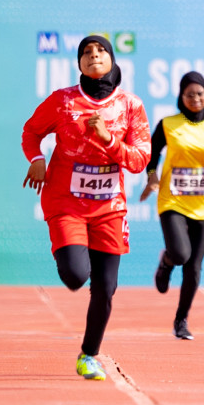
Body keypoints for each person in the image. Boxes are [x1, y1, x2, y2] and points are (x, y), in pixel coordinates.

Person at [21, 35, 150, 380]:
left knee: (106, 289)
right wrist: (36, 159)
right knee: (76, 276)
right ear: (79, 65)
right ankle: (74, 252)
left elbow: (139, 160)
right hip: (67, 202)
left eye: (101, 51)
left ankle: (88, 356)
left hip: (109, 207)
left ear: (112, 61)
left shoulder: (130, 106)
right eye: (86, 53)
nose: (94, 55)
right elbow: (31, 131)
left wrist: (109, 140)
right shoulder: (63, 101)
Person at [141, 71, 204, 339]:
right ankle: (167, 262)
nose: (195, 99)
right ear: (181, 97)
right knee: (181, 254)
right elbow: (152, 155)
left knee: (194, 268)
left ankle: (181, 321)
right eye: (190, 94)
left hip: (202, 206)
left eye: (200, 94)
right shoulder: (168, 124)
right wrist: (152, 177)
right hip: (172, 200)